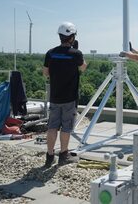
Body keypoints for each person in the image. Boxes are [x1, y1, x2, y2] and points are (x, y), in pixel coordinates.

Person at [43, 22, 87, 167]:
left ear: (60, 37)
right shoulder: (76, 54)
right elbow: (83, 68)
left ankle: (49, 156)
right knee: (66, 127)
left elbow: (45, 73)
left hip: (55, 97)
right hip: (69, 98)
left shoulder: (51, 53)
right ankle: (63, 155)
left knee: (52, 126)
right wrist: (77, 51)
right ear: (72, 37)